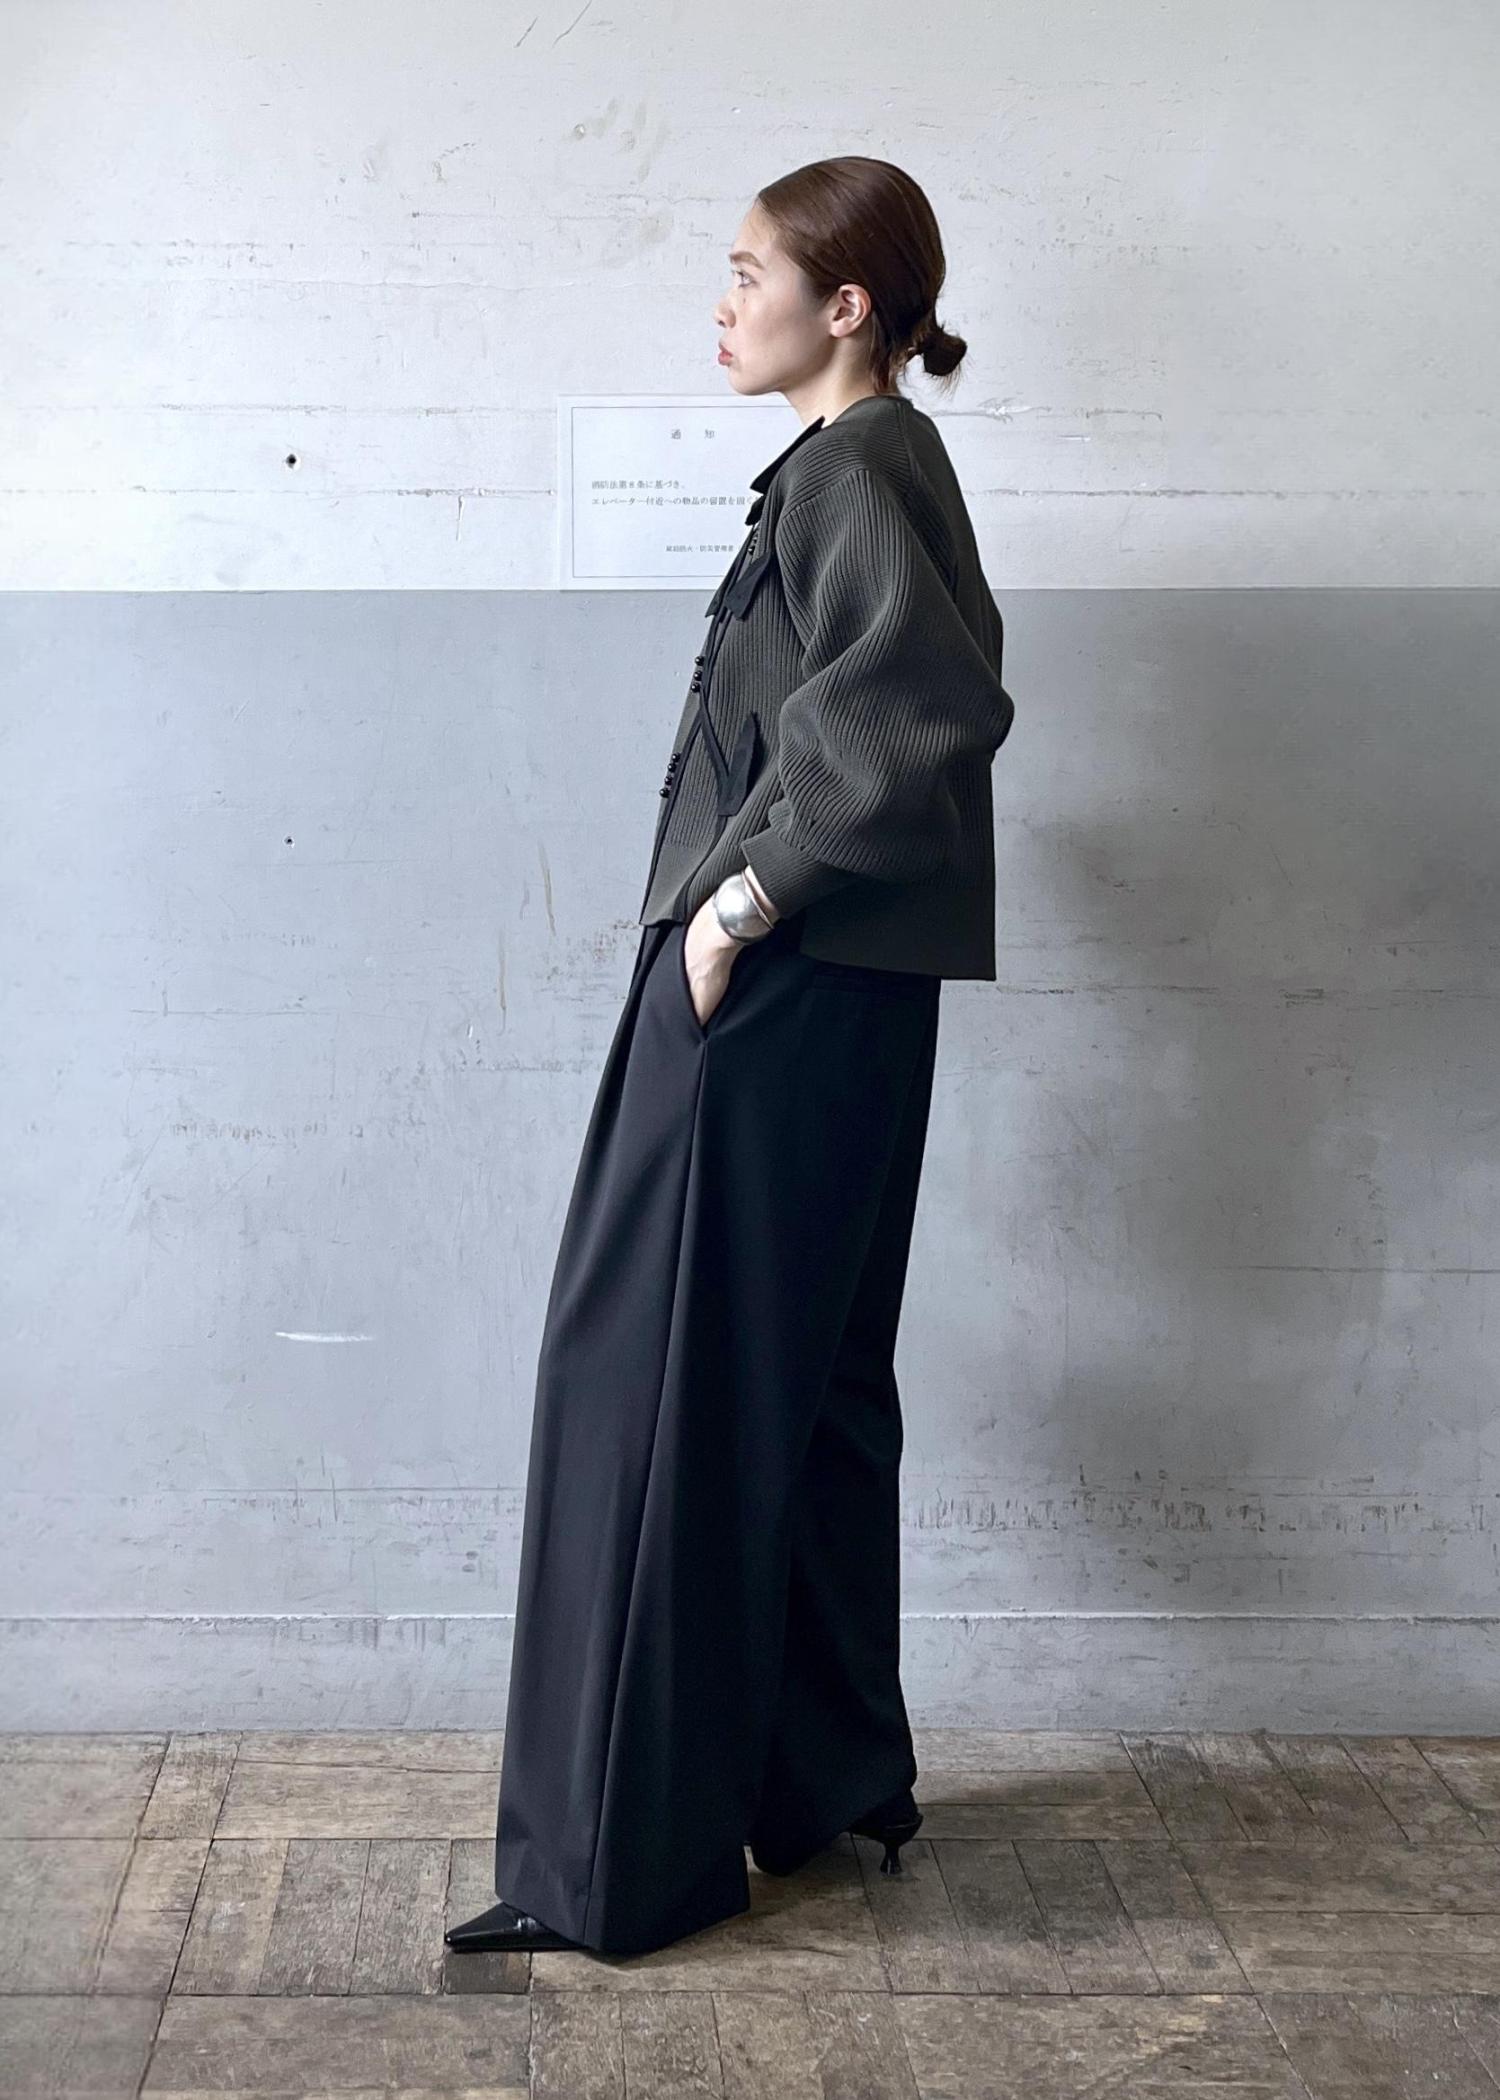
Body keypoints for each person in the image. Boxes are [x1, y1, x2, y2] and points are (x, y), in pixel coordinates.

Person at [447, 155, 1016, 1959]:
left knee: (654, 1393)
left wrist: (735, 910)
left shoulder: (859, 465)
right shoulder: (871, 464)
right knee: (808, 1386)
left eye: (749, 271)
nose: (724, 300)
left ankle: (617, 1864)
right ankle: (826, 1781)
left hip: (781, 980)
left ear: (845, 307)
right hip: (843, 990)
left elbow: (925, 708)